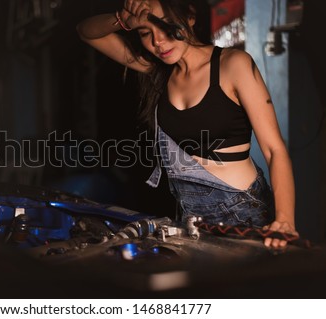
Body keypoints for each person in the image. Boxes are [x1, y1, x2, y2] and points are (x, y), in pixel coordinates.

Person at [76, 0, 298, 249]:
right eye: (145, 33)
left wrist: (285, 220)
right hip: (190, 220)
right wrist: (122, 20)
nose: (158, 41)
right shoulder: (157, 71)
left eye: (166, 26)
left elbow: (274, 149)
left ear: (190, 16)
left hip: (242, 212)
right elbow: (86, 32)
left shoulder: (233, 64)